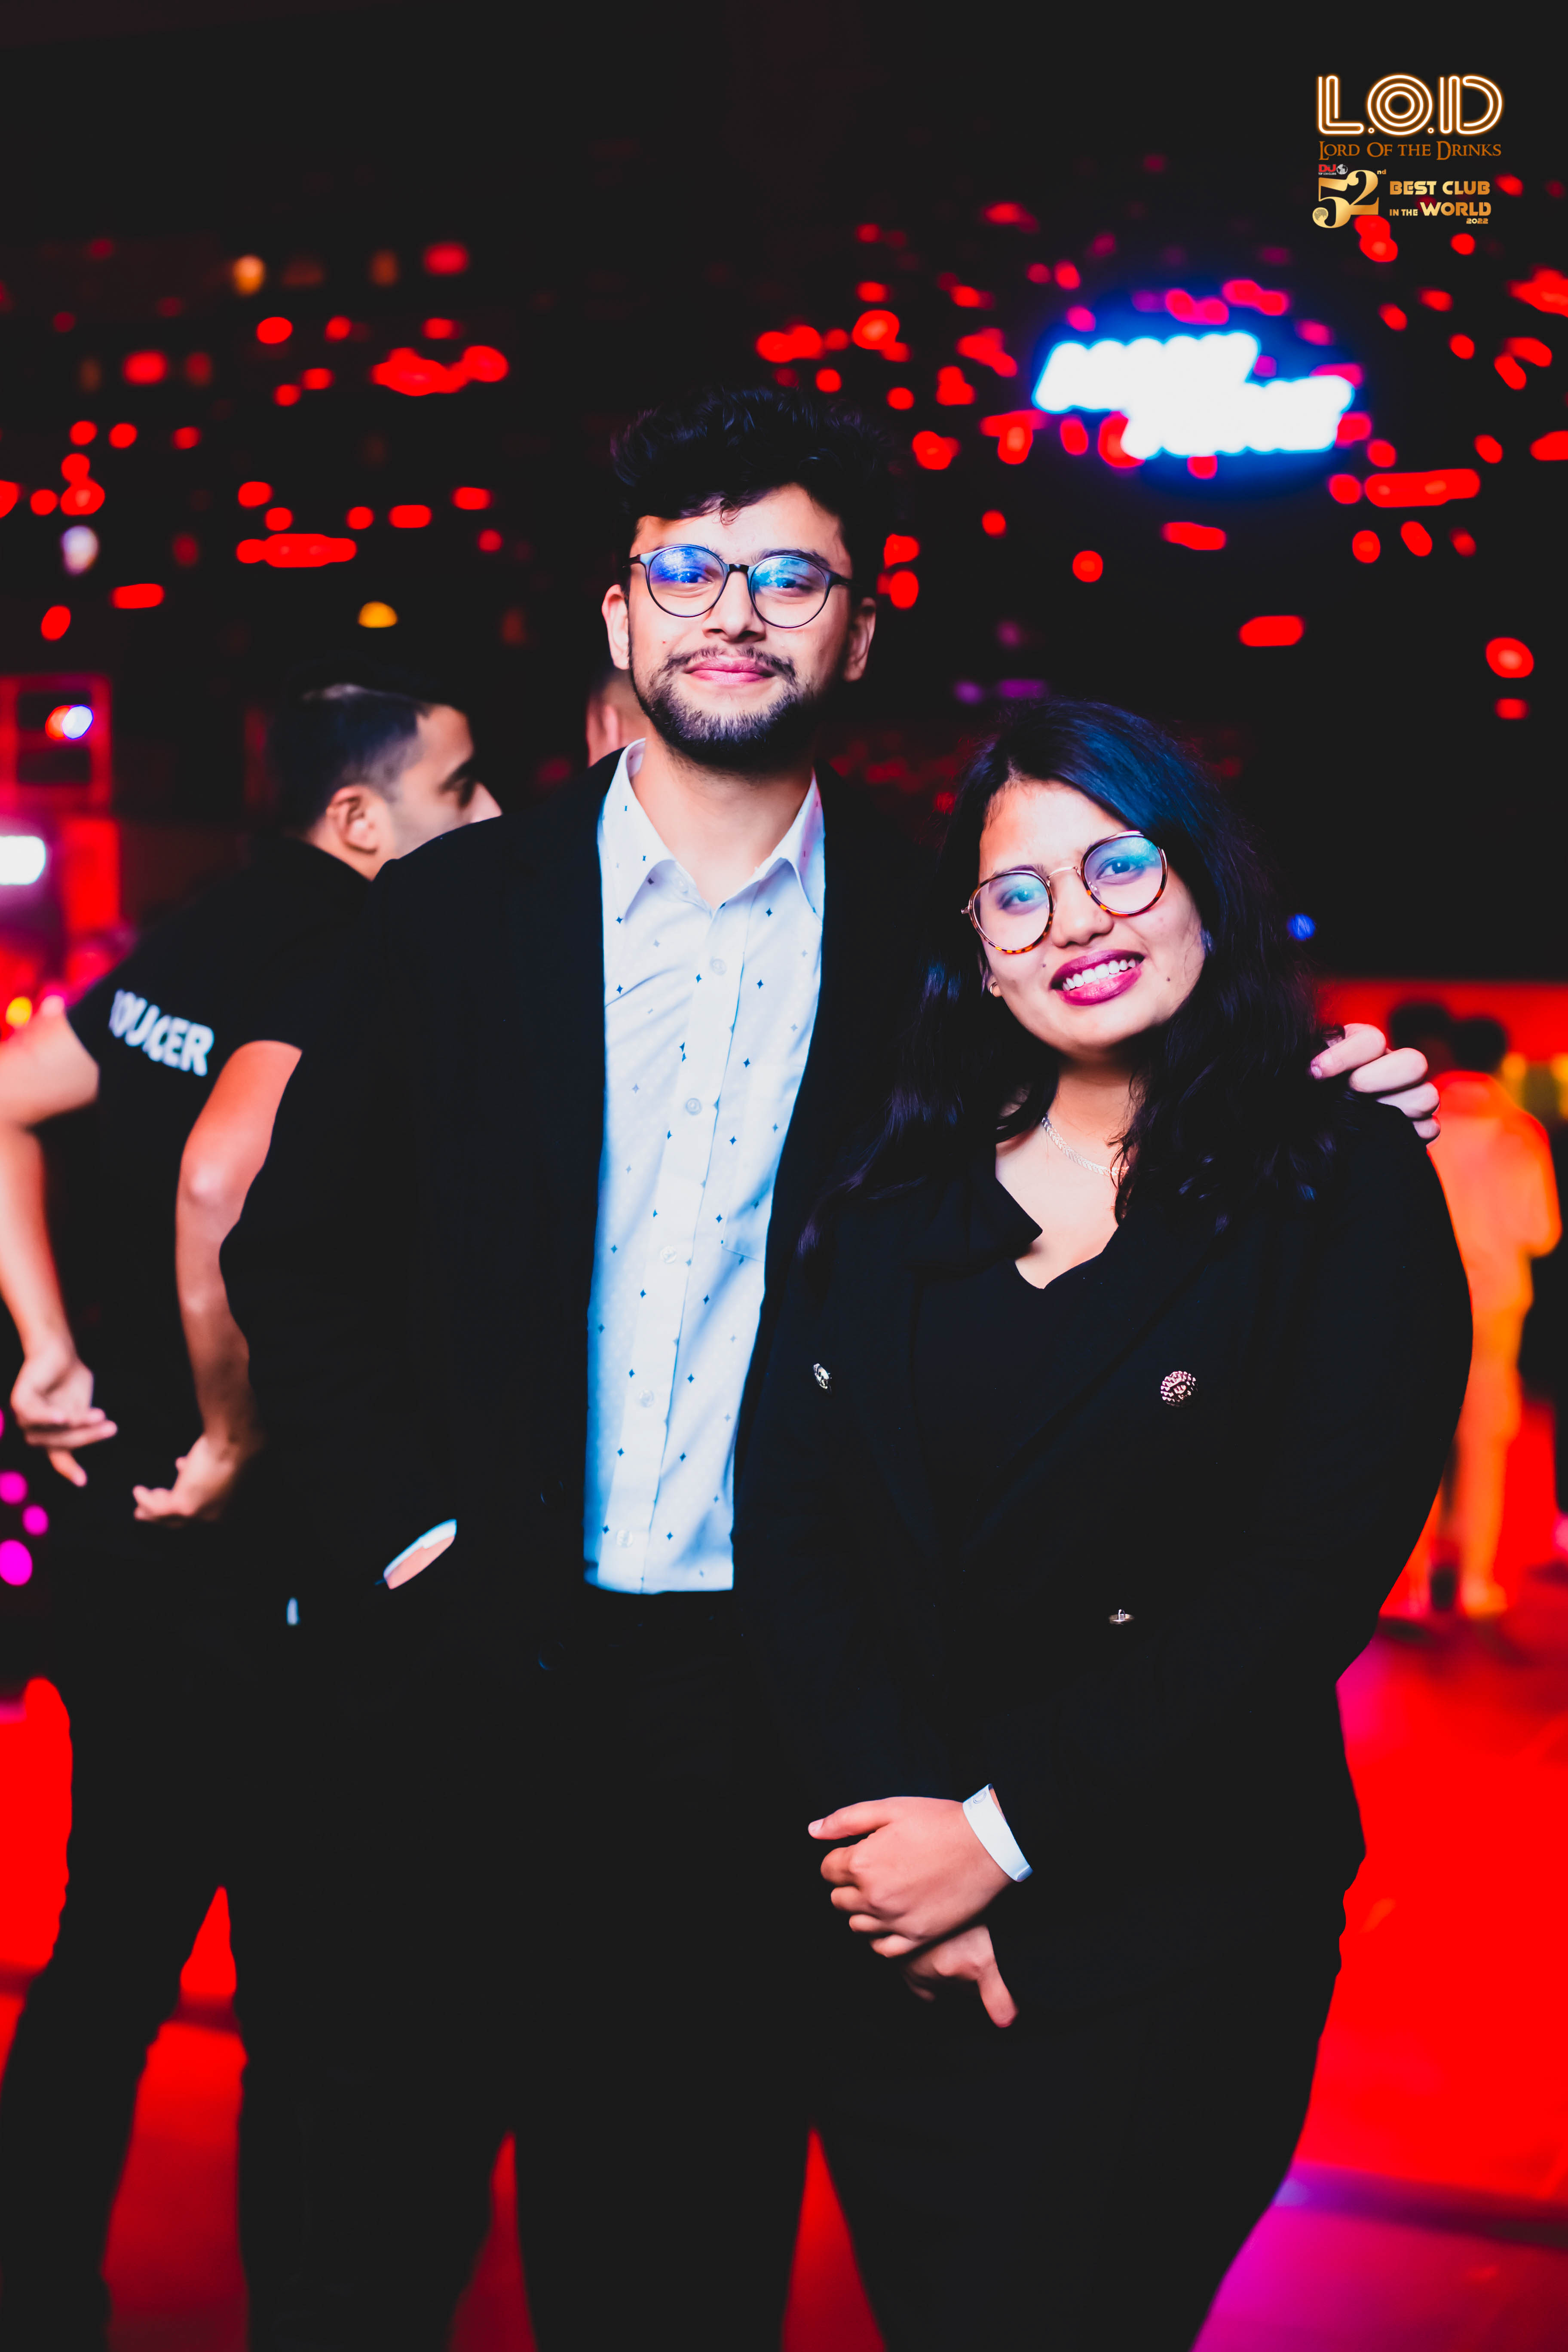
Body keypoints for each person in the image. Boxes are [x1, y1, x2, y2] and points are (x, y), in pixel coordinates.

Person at [221, 384, 1436, 2351]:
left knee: (672, 2242)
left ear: (859, 630)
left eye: (790, 575)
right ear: (617, 616)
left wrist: (1318, 1087)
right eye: (686, 570)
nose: (733, 611)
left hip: (760, 1702)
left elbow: (1124, 1060)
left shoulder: (929, 929)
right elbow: (297, 1255)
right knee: (361, 2224)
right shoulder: (451, 909)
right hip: (446, 1663)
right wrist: (421, 1543)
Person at [734, 698, 1472, 2352]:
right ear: (974, 954)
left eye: (1118, 865)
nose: (1074, 921)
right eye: (1018, 894)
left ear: (1202, 881)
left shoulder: (1338, 1176)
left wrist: (995, 1838)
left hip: (1172, 1932)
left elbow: (1300, 1584)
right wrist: (901, 1855)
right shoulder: (891, 1184)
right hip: (889, 1917)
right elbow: (790, 1519)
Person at [0, 665, 496, 2352]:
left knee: (104, 1961)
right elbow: (223, 1181)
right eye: (462, 786)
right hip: (244, 1560)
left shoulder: (206, 924)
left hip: (112, 1536)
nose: (491, 814)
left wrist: (48, 1349)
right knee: (305, 1995)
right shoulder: (350, 944)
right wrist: (230, 1435)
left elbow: (9, 1097)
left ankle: (39, 2301)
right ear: (362, 819)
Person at [1421, 1016, 1560, 1616]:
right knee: (1484, 1441)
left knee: (1418, 1438)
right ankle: (1474, 1581)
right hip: (1496, 1306)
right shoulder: (1518, 1132)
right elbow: (1542, 1231)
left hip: (1423, 1300)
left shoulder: (1419, 1118)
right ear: (1504, 1060)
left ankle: (1409, 1585)